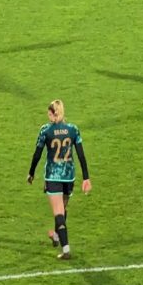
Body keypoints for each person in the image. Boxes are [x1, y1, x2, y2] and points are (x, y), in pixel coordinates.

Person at [27, 100, 92, 260]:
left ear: (53, 113)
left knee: (58, 213)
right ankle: (57, 236)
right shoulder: (73, 129)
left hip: (53, 176)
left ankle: (66, 249)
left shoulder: (46, 130)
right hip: (69, 176)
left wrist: (31, 173)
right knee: (63, 209)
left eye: (48, 113)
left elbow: (37, 154)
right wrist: (86, 178)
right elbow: (81, 155)